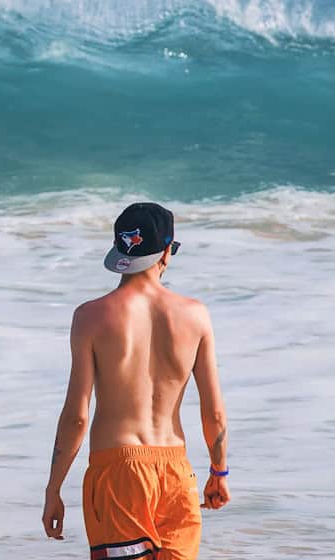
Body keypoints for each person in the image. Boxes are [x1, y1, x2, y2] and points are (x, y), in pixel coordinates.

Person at [41, 202, 229, 560]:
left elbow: (77, 417)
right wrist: (218, 471)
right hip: (177, 472)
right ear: (166, 253)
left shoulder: (90, 317)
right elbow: (214, 413)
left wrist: (54, 489)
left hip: (118, 472)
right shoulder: (196, 316)